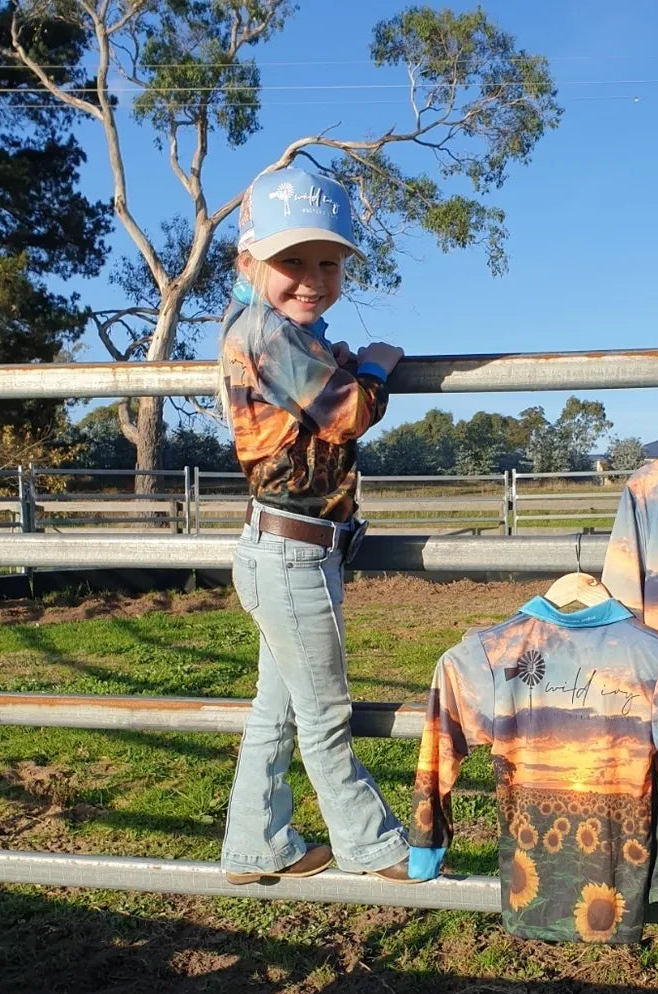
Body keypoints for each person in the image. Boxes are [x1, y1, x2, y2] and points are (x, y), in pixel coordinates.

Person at [217, 162, 419, 884]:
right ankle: (374, 845)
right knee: (325, 712)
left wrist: (338, 353)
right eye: (290, 261)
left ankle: (255, 843)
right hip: (292, 556)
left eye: (329, 262)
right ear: (250, 262)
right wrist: (377, 366)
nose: (312, 277)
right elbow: (348, 413)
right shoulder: (268, 334)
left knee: (277, 708)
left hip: (289, 550)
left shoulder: (273, 329)